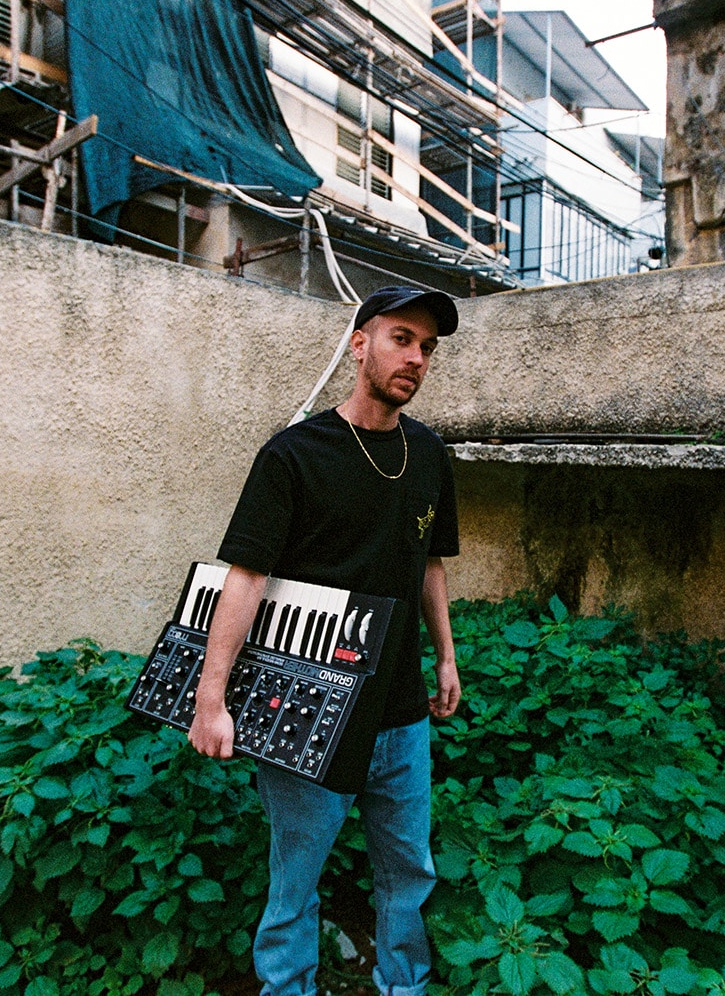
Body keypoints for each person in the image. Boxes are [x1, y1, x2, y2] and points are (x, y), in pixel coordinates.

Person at [187, 284, 462, 996]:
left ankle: (405, 985)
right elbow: (245, 576)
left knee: (409, 873)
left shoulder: (430, 454)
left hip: (401, 714)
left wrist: (447, 654)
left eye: (427, 347)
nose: (416, 357)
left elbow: (430, 562)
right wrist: (211, 698)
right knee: (295, 883)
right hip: (308, 708)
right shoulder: (293, 455)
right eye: (401, 338)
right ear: (359, 343)